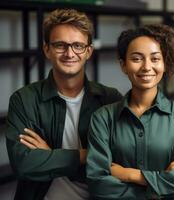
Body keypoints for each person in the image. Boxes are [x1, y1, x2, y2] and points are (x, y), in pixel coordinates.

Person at [5, 9, 122, 200]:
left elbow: (119, 164)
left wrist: (51, 155)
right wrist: (84, 155)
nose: (69, 53)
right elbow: (23, 164)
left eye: (78, 45)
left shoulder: (110, 99)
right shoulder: (24, 99)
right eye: (60, 45)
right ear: (47, 49)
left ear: (88, 51)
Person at [86, 24, 174, 199]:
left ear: (164, 63)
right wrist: (163, 177)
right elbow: (98, 184)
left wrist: (129, 174)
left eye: (155, 59)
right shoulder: (103, 118)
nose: (147, 67)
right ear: (123, 65)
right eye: (137, 59)